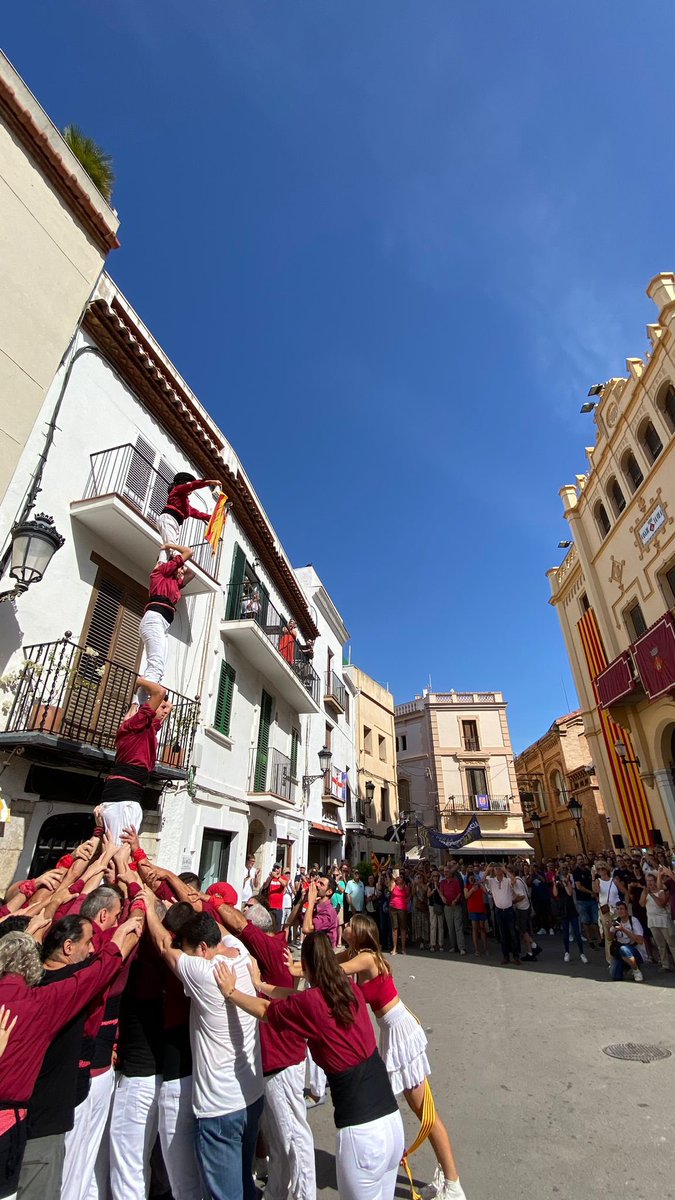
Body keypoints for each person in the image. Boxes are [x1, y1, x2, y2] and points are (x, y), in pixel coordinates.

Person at [215, 931, 405, 1200]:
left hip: (361, 1133)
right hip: (391, 1122)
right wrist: (263, 985)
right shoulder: (349, 990)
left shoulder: (312, 1004)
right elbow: (294, 997)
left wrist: (232, 992)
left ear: (305, 966)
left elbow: (266, 1011)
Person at [0, 917, 142, 1198]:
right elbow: (91, 978)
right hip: (21, 1126)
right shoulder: (39, 1003)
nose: (89, 949)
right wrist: (117, 943)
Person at [337, 914, 466, 1200]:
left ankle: (454, 1185)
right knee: (421, 1110)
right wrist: (295, 966)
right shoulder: (355, 954)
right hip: (390, 1031)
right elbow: (328, 965)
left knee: (427, 1114)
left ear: (359, 933)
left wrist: (297, 970)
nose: (344, 928)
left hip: (399, 1031)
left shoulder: (367, 958)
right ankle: (447, 1179)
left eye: (348, 927)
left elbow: (332, 972)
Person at [144, 907, 263, 1200]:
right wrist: (198, 905)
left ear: (203, 948)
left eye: (191, 951)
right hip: (252, 1096)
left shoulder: (205, 972)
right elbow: (225, 931)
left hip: (220, 1108)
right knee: (244, 1185)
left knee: (224, 1194)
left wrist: (146, 902)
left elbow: (163, 945)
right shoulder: (241, 955)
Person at [216, 898, 315, 1200]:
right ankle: (276, 1193)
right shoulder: (278, 946)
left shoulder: (270, 950)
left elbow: (237, 924)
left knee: (293, 1136)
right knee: (279, 1138)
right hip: (280, 1057)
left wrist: (209, 902)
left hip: (282, 1060)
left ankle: (304, 1196)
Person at [16, 916, 96, 1200]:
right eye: (87, 943)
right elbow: (113, 958)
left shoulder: (24, 984)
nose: (92, 949)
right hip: (44, 1124)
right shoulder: (69, 989)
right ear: (68, 946)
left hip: (18, 1120)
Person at [100, 679, 172, 844]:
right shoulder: (133, 726)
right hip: (122, 797)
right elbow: (159, 693)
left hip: (130, 794)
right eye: (160, 707)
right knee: (118, 849)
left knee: (123, 848)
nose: (165, 712)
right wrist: (139, 680)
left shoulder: (148, 730)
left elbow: (168, 705)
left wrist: (164, 701)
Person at [137, 545, 194, 703]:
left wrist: (181, 566)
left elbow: (191, 573)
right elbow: (188, 552)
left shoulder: (174, 583)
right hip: (154, 619)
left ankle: (137, 703)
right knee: (155, 665)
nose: (182, 571)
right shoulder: (160, 573)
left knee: (158, 669)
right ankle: (139, 706)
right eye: (180, 567)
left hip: (163, 625)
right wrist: (169, 546)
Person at [157, 473, 222, 559]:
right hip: (169, 519)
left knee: (171, 547)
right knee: (170, 546)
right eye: (188, 483)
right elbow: (192, 486)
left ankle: (166, 565)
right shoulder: (177, 490)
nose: (191, 489)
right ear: (183, 483)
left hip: (174, 522)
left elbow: (197, 513)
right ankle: (161, 565)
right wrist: (209, 482)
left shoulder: (184, 503)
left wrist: (212, 518)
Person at [483, 864, 520, 964]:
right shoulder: (491, 881)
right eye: (496, 869)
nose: (498, 870)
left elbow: (514, 880)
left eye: (499, 868)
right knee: (503, 935)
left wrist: (505, 871)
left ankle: (516, 956)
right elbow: (482, 881)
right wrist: (487, 869)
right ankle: (506, 956)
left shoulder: (507, 880)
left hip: (508, 910)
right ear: (494, 870)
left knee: (512, 933)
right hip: (499, 910)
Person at [552, 870, 588, 965]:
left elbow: (569, 893)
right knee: (565, 933)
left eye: (564, 877)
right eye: (561, 877)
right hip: (563, 911)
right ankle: (567, 952)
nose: (562, 879)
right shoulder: (558, 885)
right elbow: (555, 894)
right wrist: (554, 884)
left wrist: (565, 883)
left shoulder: (569, 883)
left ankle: (582, 953)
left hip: (572, 910)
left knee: (577, 932)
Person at [640, 874, 675, 971]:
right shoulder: (645, 891)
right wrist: (645, 893)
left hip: (663, 920)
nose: (650, 883)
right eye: (648, 880)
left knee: (671, 943)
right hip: (652, 920)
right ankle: (665, 965)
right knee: (660, 945)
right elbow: (642, 904)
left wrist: (651, 894)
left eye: (651, 880)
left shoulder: (661, 891)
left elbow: (661, 904)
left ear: (656, 881)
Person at [508, 870, 541, 962]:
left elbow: (521, 896)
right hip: (526, 907)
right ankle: (530, 952)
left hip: (522, 908)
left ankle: (534, 946)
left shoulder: (516, 882)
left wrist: (511, 902)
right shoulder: (520, 879)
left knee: (523, 930)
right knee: (524, 931)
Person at [593, 861, 623, 965]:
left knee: (619, 933)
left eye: (603, 868)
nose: (601, 871)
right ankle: (611, 960)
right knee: (609, 935)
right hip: (605, 910)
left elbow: (625, 892)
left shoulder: (614, 880)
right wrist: (593, 877)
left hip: (616, 909)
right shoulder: (597, 881)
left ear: (607, 869)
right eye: (599, 869)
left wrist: (624, 904)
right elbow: (596, 890)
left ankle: (621, 955)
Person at [571, 855, 602, 949]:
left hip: (592, 900)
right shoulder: (576, 872)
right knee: (586, 921)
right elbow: (578, 886)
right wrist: (590, 892)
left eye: (582, 859)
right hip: (582, 900)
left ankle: (599, 939)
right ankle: (590, 940)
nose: (581, 861)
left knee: (595, 920)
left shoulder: (589, 871)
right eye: (579, 859)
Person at [609, 901, 644, 982]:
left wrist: (623, 929)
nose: (619, 911)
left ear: (626, 910)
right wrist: (608, 929)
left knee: (624, 949)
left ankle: (636, 970)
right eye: (617, 909)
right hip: (620, 952)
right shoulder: (616, 922)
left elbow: (640, 941)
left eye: (621, 909)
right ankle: (627, 966)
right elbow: (609, 939)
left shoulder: (633, 920)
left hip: (634, 950)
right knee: (615, 976)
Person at [302, 876, 339, 948]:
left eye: (321, 884)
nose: (317, 885)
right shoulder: (316, 907)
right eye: (317, 882)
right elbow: (289, 922)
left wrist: (311, 902)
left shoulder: (329, 911)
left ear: (329, 892)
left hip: (323, 956)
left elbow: (306, 929)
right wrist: (302, 901)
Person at [439, 864, 465, 956]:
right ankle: (453, 946)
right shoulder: (442, 882)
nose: (445, 873)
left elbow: (459, 893)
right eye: (444, 872)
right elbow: (441, 892)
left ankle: (461, 947)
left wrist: (456, 900)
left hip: (456, 906)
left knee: (458, 927)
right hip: (447, 907)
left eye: (447, 872)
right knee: (450, 927)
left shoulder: (456, 882)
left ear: (450, 873)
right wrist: (442, 897)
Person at [464, 873, 488, 956]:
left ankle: (485, 948)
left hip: (481, 909)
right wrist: (472, 890)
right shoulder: (467, 887)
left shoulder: (478, 885)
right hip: (473, 910)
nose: (472, 880)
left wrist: (480, 883)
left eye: (473, 878)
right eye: (470, 878)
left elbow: (485, 891)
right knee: (474, 929)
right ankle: (476, 949)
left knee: (482, 928)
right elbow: (466, 896)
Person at [388, 870, 410, 956]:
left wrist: (408, 899)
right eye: (398, 877)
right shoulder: (394, 884)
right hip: (393, 908)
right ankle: (394, 948)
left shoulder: (405, 886)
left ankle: (403, 948)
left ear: (403, 879)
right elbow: (390, 889)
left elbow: (409, 895)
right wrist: (393, 879)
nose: (399, 878)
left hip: (402, 908)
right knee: (394, 928)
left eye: (401, 877)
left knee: (403, 929)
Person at [264, 865, 286, 933]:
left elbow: (284, 884)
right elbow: (265, 886)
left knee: (277, 928)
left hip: (278, 908)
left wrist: (277, 877)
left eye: (278, 868)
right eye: (275, 868)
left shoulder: (283, 878)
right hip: (270, 907)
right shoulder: (271, 878)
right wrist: (270, 877)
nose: (276, 869)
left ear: (280, 869)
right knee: (269, 927)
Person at [427, 872, 445, 953]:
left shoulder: (441, 884)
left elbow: (442, 894)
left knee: (440, 925)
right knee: (433, 925)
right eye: (433, 876)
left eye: (437, 876)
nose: (435, 877)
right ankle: (432, 944)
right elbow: (428, 895)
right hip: (432, 906)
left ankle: (441, 944)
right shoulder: (430, 885)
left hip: (440, 906)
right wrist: (433, 890)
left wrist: (437, 888)